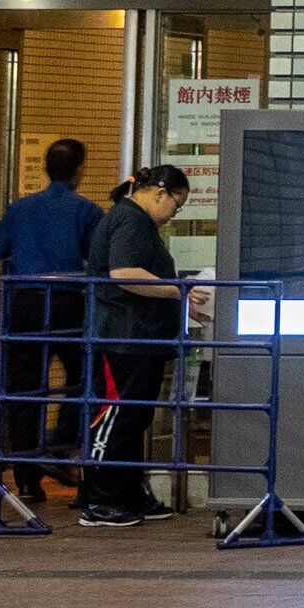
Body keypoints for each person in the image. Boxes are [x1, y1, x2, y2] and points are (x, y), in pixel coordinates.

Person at [0, 137, 103, 506]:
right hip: (69, 304)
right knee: (84, 379)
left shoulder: (20, 209)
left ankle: (27, 480)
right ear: (80, 170)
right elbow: (100, 263)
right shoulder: (86, 211)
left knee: (24, 391)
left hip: (24, 305)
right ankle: (64, 446)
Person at [76, 162, 193, 529]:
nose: (175, 214)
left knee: (135, 417)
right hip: (121, 336)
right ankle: (99, 498)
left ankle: (127, 492)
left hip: (139, 336)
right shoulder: (130, 220)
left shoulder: (137, 221)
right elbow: (124, 273)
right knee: (116, 416)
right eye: (177, 205)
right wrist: (180, 291)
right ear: (160, 194)